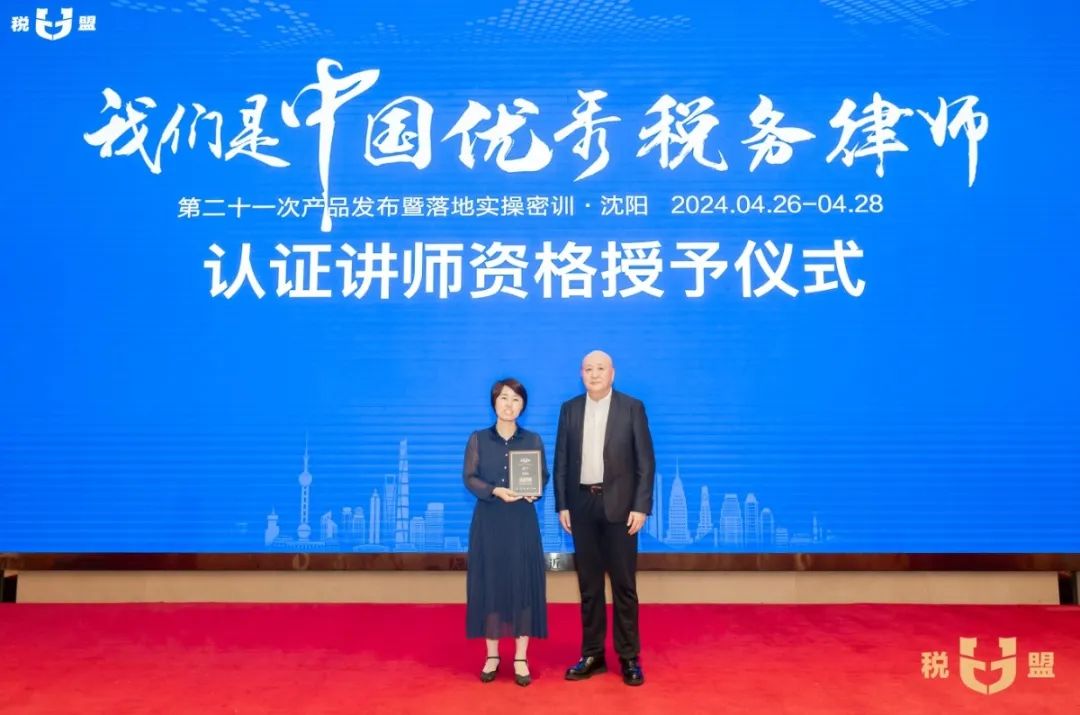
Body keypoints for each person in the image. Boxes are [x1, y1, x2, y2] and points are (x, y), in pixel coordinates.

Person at [555, 350, 655, 686]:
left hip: (621, 509)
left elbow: (645, 462)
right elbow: (561, 461)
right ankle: (593, 654)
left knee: (624, 585)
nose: (594, 374)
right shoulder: (570, 409)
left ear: (612, 373)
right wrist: (563, 504)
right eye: (588, 369)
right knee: (589, 585)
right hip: (582, 505)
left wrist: (641, 506)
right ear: (580, 374)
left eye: (600, 368)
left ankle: (629, 656)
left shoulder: (632, 407)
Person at [463, 378, 549, 687]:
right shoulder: (478, 439)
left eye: (515, 399)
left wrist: (535, 490)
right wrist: (495, 490)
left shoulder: (533, 440)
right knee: (491, 584)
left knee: (522, 584)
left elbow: (542, 476)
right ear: (494, 403)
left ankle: (521, 657)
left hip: (521, 522)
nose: (509, 405)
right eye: (503, 398)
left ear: (523, 405)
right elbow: (469, 478)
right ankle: (492, 655)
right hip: (489, 522)